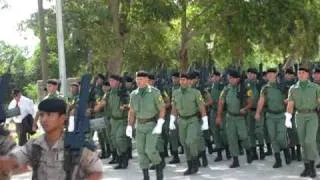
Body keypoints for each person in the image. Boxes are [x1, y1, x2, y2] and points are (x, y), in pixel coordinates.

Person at [0, 98, 103, 180]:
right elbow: (12, 161)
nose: (44, 119)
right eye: (42, 115)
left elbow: (96, 171)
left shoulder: (75, 144)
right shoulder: (34, 144)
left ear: (62, 118)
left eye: (50, 115)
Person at [126, 71, 166, 180]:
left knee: (150, 149)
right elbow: (132, 111)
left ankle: (159, 169)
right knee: (141, 151)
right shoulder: (134, 94)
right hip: (139, 125)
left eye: (141, 79)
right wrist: (129, 125)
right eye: (137, 79)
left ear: (147, 80)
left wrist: (160, 123)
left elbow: (162, 108)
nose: (139, 82)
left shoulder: (154, 92)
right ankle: (146, 176)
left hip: (151, 125)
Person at [170, 73, 209, 175]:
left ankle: (195, 161)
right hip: (181, 120)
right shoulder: (175, 93)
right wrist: (171, 120)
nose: (182, 81)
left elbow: (201, 107)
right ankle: (190, 165)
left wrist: (205, 120)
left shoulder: (195, 92)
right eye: (181, 80)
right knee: (184, 143)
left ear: (188, 81)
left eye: (184, 80)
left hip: (193, 119)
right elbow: (174, 108)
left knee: (190, 141)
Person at [286, 64, 320, 178]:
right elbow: (290, 104)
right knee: (302, 142)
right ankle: (307, 168)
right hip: (299, 116)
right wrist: (288, 118)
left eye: (303, 73)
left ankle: (312, 165)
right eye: (299, 73)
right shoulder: (293, 88)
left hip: (312, 115)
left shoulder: (316, 87)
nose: (301, 74)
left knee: (310, 140)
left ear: (308, 75)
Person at [216, 70, 253, 168]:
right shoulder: (226, 89)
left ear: (237, 79)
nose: (230, 80)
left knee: (244, 137)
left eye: (231, 78)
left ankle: (248, 150)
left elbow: (250, 103)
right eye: (229, 78)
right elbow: (221, 103)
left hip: (240, 118)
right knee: (231, 139)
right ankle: (235, 160)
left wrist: (245, 109)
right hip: (230, 117)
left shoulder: (245, 88)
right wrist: (219, 116)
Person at [255, 68, 290, 168]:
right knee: (273, 137)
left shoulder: (282, 86)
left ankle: (286, 150)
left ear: (275, 75)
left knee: (281, 137)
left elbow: (291, 97)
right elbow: (261, 101)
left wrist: (287, 101)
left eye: (272, 74)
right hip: (270, 115)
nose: (270, 76)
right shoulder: (265, 88)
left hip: (281, 115)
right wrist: (257, 113)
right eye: (268, 74)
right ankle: (278, 160)